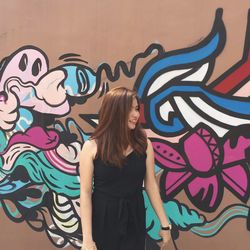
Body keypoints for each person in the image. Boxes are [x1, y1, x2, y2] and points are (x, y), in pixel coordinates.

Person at [80, 86, 171, 250]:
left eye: (137, 109)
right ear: (115, 111)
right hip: (103, 217)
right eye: (130, 110)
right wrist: (87, 238)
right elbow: (85, 193)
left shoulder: (144, 145)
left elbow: (150, 185)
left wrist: (164, 223)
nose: (136, 115)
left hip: (134, 215)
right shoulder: (92, 147)